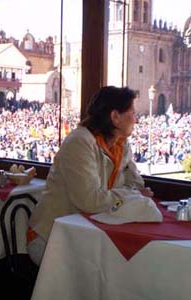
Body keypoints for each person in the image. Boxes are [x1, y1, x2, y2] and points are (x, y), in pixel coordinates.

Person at [27, 86, 156, 265]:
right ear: (115, 117)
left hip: (90, 233)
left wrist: (124, 196)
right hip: (53, 238)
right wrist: (128, 196)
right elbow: (89, 201)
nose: (136, 119)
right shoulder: (80, 142)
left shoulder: (121, 145)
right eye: (132, 113)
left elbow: (136, 185)